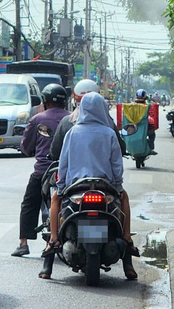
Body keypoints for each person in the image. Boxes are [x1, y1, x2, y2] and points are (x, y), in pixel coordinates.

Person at [40, 92, 138, 281]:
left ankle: (52, 240)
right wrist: (117, 186)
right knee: (124, 198)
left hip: (75, 187)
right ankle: (127, 241)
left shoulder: (72, 133)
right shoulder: (109, 133)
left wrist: (61, 187)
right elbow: (117, 165)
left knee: (55, 199)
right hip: (106, 186)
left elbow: (64, 163)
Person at [11, 83, 70, 258]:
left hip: (44, 171)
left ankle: (23, 242)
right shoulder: (73, 118)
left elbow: (26, 147)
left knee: (29, 204)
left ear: (45, 101)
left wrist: (28, 149)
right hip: (69, 171)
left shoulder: (37, 119)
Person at [134, 89, 157, 155]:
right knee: (152, 134)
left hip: (133, 129)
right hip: (145, 129)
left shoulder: (131, 106)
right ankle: (151, 148)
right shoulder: (147, 106)